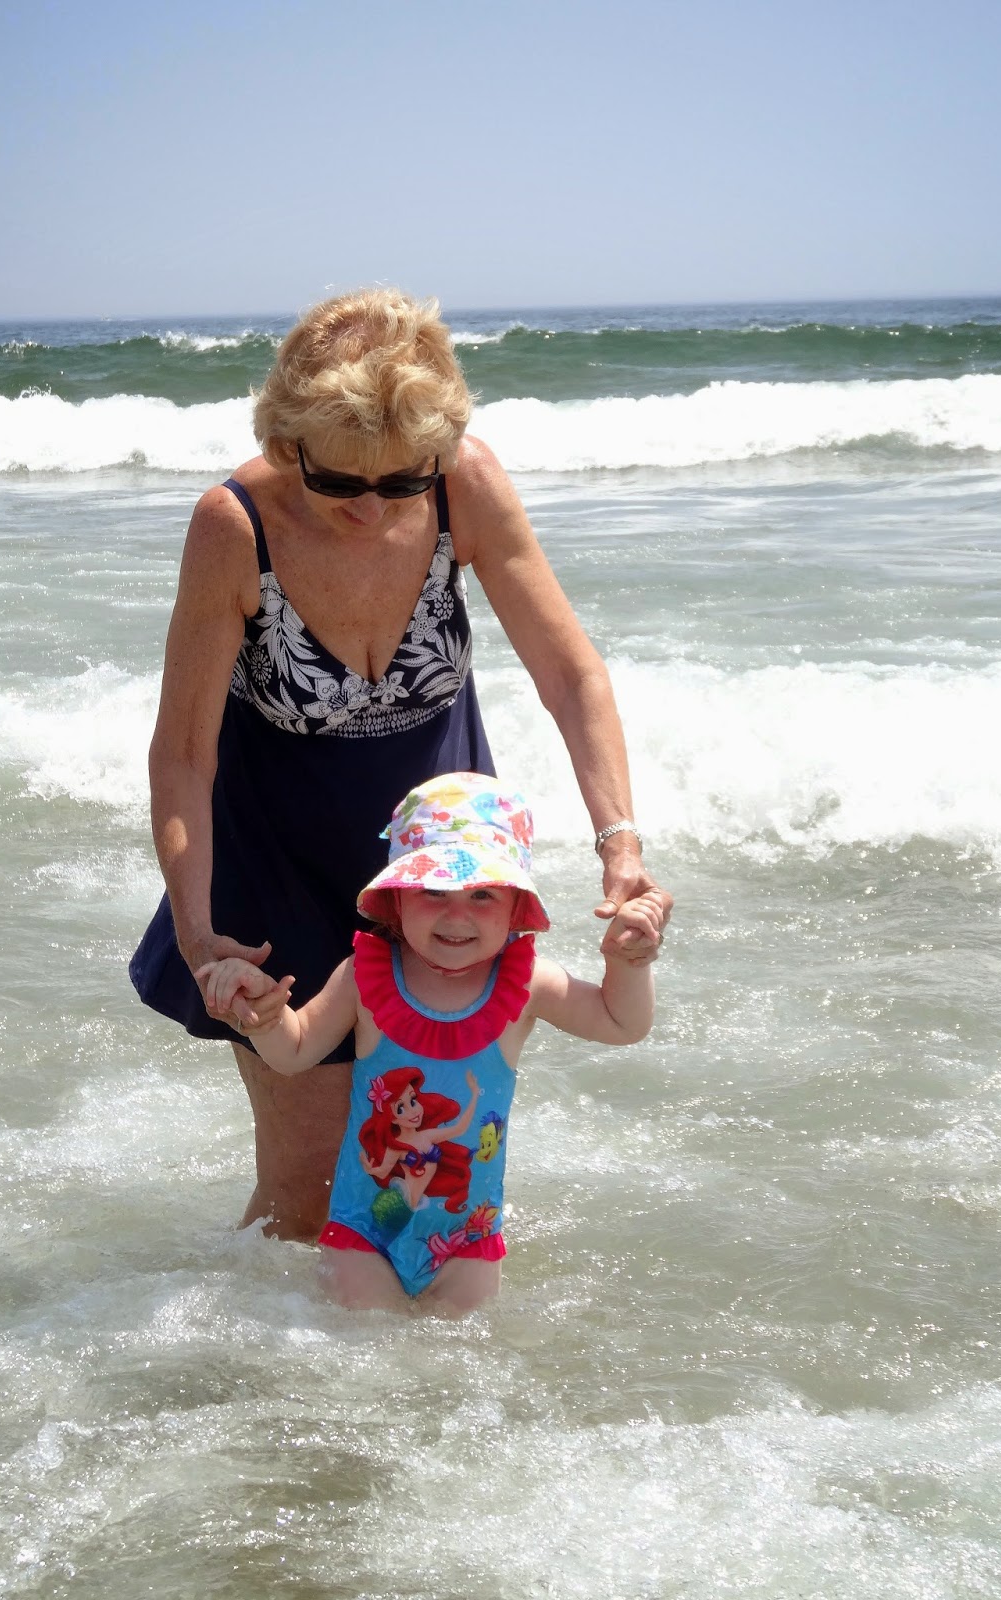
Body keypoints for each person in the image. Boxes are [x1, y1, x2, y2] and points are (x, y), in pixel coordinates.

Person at [130, 287, 672, 1241]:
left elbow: (571, 675)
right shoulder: (234, 526)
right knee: (306, 1188)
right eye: (340, 483)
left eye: (401, 483)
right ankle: (246, 1337)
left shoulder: (464, 482)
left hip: (443, 865)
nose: (372, 508)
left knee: (430, 1163)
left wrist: (619, 842)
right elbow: (182, 755)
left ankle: (410, 1339)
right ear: (287, 442)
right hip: (282, 857)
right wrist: (200, 932)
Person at [197, 773, 660, 1314]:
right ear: (397, 901)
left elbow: (620, 1023)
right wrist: (264, 1017)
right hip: (365, 1231)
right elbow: (294, 1052)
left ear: (515, 908)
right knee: (359, 1351)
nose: (457, 916)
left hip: (468, 1239)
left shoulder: (527, 982)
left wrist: (627, 964)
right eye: (433, 891)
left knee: (456, 1360)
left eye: (483, 895)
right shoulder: (366, 976)